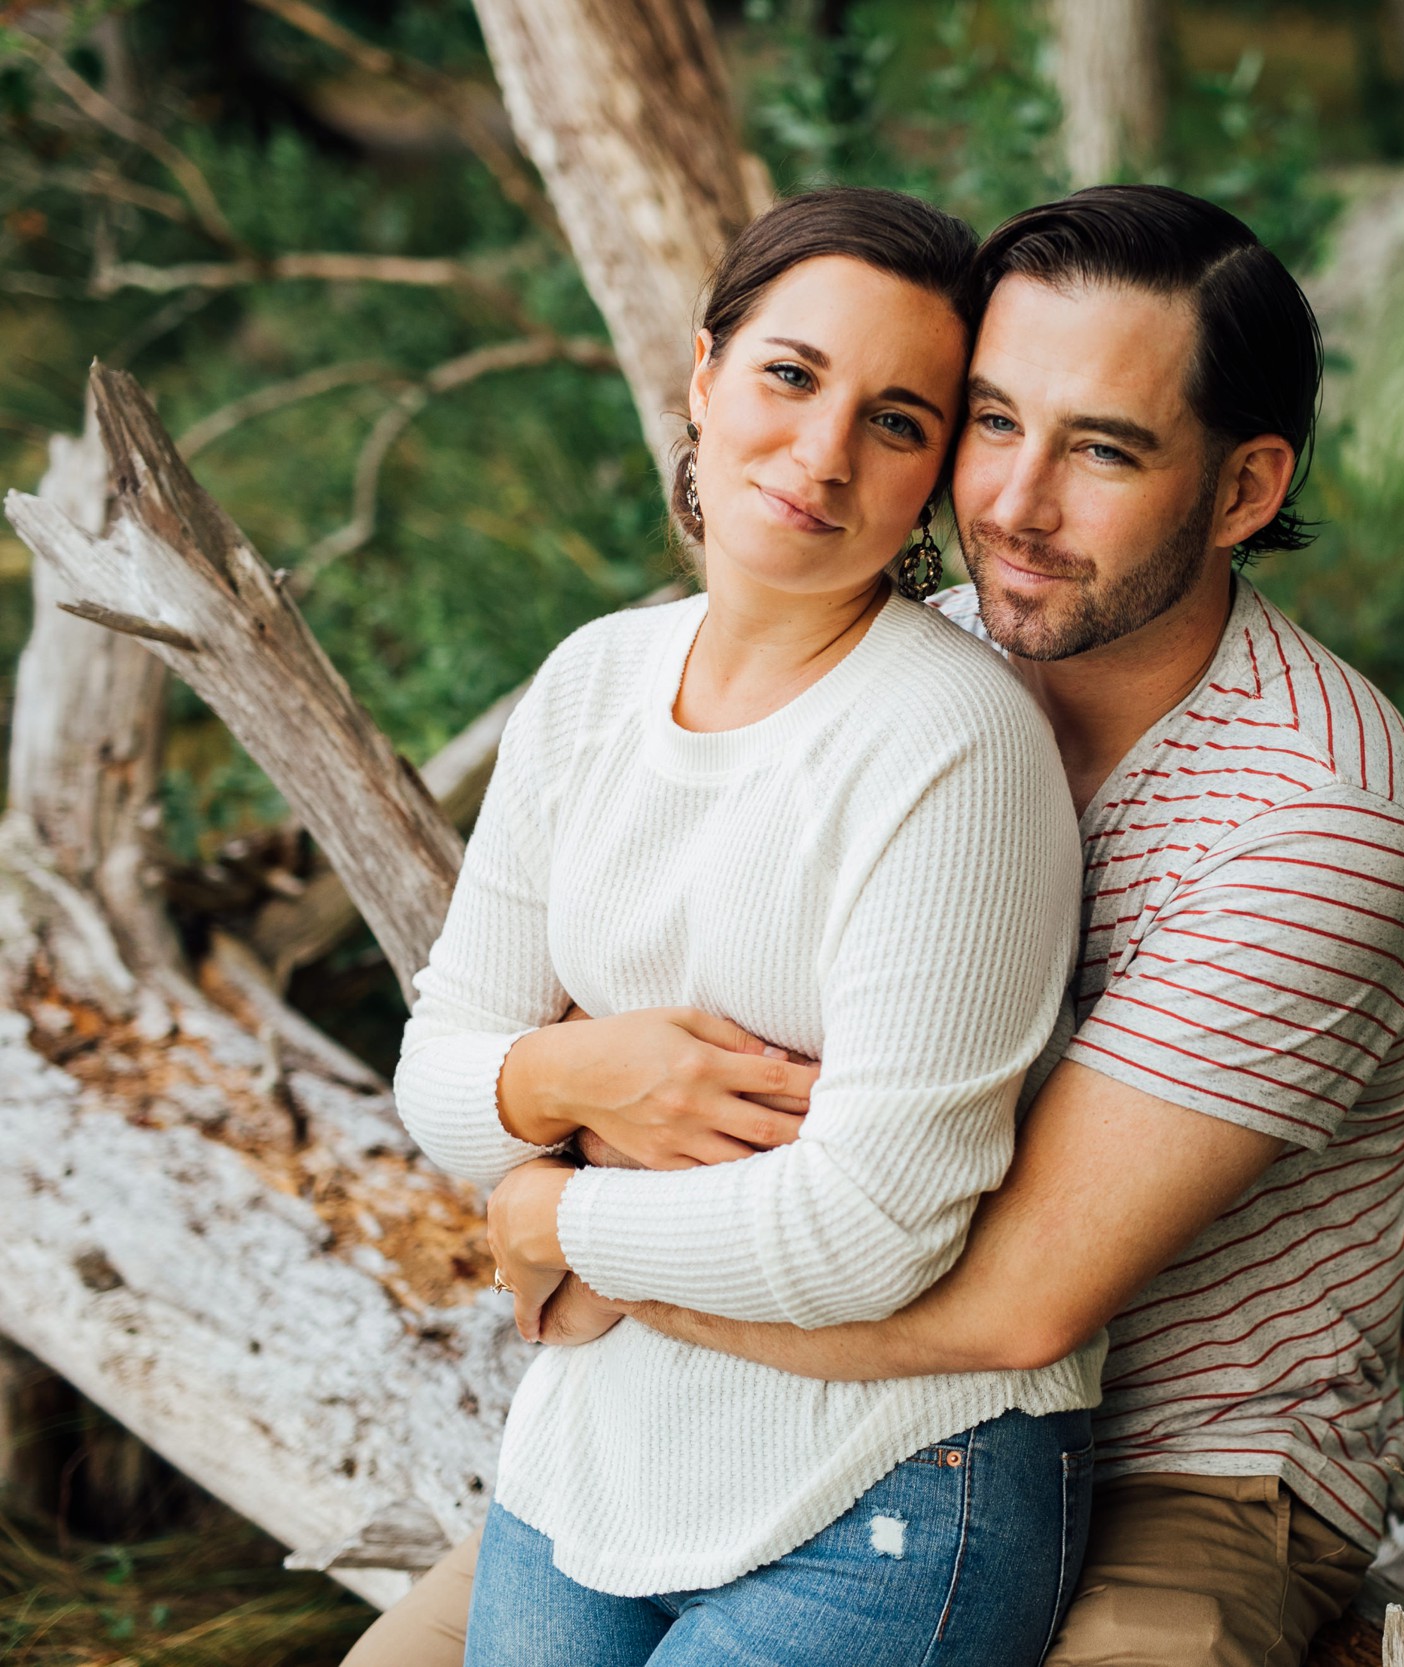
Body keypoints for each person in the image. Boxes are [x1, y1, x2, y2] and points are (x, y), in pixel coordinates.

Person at [348, 184, 1404, 1667]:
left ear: (1245, 490)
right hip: (757, 1392)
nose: (1013, 506)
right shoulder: (903, 651)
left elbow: (1009, 1308)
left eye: (1104, 450)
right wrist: (563, 1088)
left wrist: (577, 1236)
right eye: (990, 423)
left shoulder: (1311, 818)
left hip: (1185, 1460)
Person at [382, 186, 1096, 1667]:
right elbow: (437, 1070)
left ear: (936, 478)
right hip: (597, 1448)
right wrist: (577, 1081)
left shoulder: (953, 746)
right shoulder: (592, 684)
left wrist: (550, 1211)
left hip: (888, 1485)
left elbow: (870, 1229)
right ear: (703, 376)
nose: (824, 453)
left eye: (899, 421)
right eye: (790, 375)